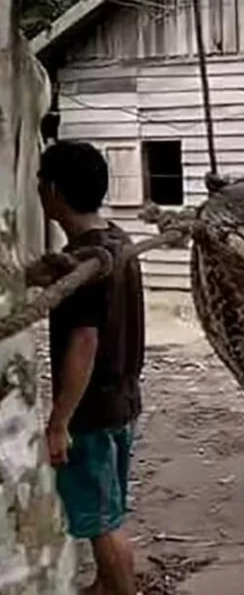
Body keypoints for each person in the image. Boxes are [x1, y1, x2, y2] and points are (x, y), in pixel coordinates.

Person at [37, 141, 144, 595]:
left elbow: (84, 341)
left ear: (55, 190)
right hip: (123, 399)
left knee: (104, 522)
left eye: (40, 181)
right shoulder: (118, 242)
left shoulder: (87, 261)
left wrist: (60, 422)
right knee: (112, 506)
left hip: (93, 412)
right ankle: (105, 585)